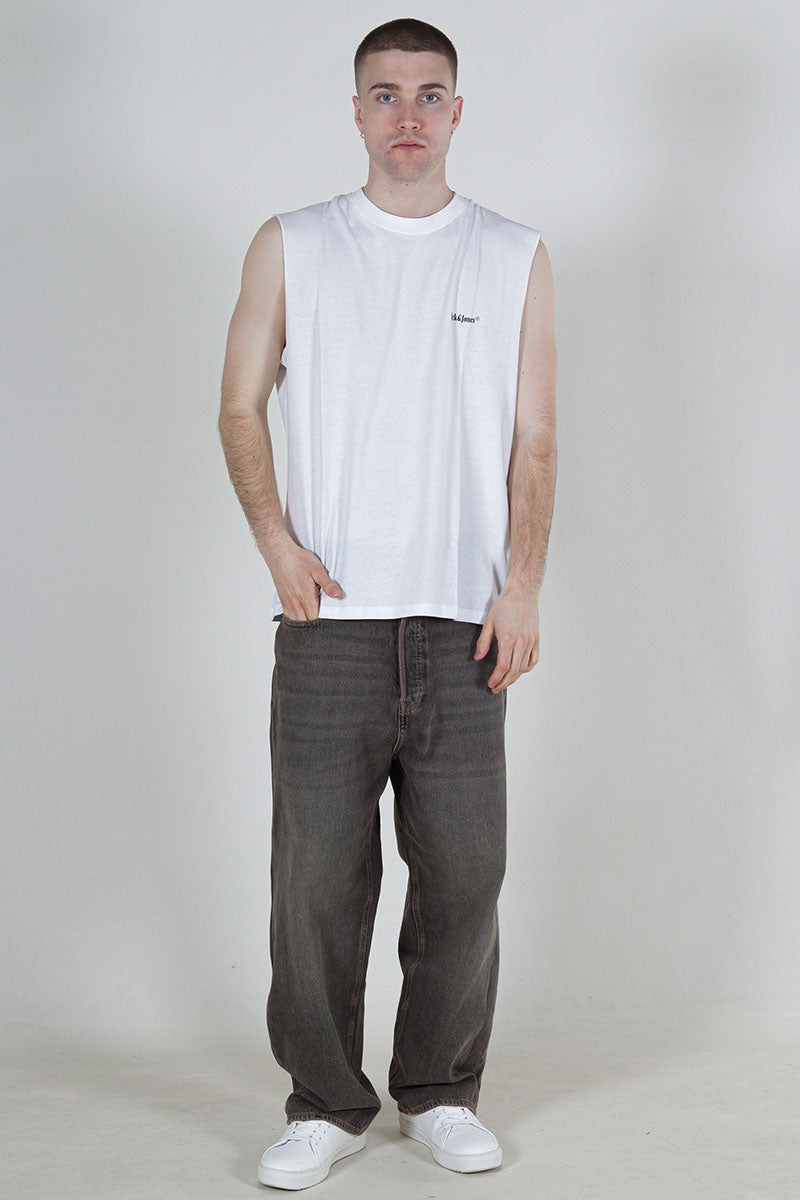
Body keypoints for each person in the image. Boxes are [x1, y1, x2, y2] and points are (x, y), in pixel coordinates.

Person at [218, 17, 557, 1191]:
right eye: (383, 93)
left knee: (464, 875)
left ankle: (439, 1091)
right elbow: (238, 405)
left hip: (465, 622)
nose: (406, 114)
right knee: (315, 880)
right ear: (354, 109)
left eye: (427, 93)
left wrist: (522, 586)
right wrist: (276, 544)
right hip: (331, 624)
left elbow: (533, 436)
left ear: (457, 110)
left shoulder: (512, 253)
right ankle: (324, 1102)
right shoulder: (292, 243)